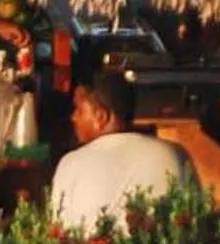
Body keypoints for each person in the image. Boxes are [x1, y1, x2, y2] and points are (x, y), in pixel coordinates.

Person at [49, 69, 193, 232]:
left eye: (79, 110)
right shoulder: (175, 153)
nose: (73, 117)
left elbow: (60, 234)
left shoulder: (71, 164)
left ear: (101, 117)